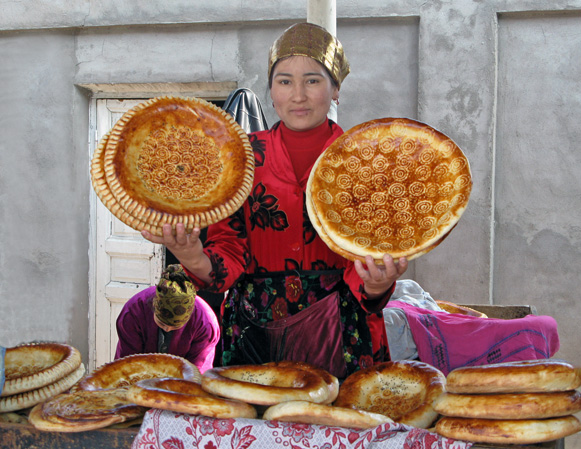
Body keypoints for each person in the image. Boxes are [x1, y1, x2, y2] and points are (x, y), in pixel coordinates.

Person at [141, 22, 408, 378]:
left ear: (336, 89)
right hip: (254, 337)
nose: (298, 94)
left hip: (342, 332)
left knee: (337, 430)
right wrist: (192, 255)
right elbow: (229, 254)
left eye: (312, 80)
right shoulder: (240, 160)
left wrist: (375, 283)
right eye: (284, 81)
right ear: (271, 89)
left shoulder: (364, 162)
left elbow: (369, 254)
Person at [114, 264, 220, 373]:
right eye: (162, 323)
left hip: (182, 382)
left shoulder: (205, 323)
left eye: (175, 326)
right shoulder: (133, 313)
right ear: (153, 306)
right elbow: (127, 365)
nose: (167, 329)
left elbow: (197, 371)